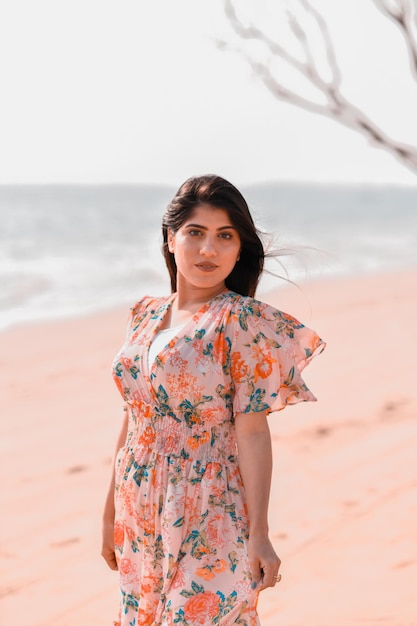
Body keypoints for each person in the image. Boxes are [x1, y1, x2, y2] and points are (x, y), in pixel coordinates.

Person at [101, 174, 325, 626]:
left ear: (240, 249)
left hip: (210, 502)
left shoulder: (243, 322)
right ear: (170, 238)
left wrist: (260, 533)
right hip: (138, 501)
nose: (209, 250)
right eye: (196, 233)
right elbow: (133, 417)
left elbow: (254, 432)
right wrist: (108, 513)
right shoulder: (144, 314)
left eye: (226, 236)